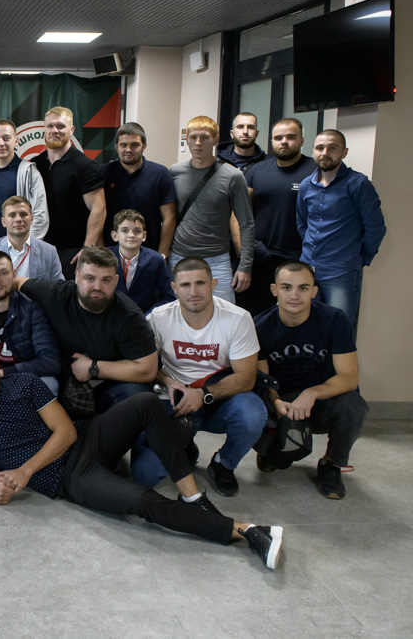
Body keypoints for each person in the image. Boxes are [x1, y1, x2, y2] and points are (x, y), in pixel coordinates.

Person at [0, 342, 284, 570]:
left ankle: (192, 496)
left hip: (85, 439)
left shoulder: (24, 384)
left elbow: (66, 432)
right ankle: (245, 530)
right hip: (68, 477)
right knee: (140, 499)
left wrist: (24, 471)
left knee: (146, 402)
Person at [0, 246, 158, 416]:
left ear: (116, 281)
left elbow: (148, 369)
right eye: (90, 278)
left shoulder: (129, 315)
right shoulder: (55, 294)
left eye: (105, 280)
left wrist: (94, 367)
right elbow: (14, 282)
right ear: (77, 276)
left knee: (139, 397)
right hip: (68, 384)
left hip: (112, 382)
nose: (97, 287)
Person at [145, 257, 267, 496]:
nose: (193, 292)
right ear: (174, 288)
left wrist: (203, 395)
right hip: (175, 399)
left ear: (214, 284)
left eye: (200, 283)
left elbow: (246, 378)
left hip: (221, 397)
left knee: (253, 413)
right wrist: (168, 381)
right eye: (185, 285)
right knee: (147, 474)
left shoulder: (238, 318)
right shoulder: (157, 318)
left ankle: (224, 464)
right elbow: (144, 366)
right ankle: (185, 445)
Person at [254, 261, 368, 499]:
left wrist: (312, 393)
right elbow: (264, 380)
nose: (294, 295)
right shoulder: (259, 326)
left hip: (319, 401)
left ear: (314, 291)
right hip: (281, 402)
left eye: (303, 288)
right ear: (274, 290)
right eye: (286, 287)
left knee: (354, 405)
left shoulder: (334, 319)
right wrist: (276, 402)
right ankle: (269, 451)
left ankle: (331, 464)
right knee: (253, 410)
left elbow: (349, 377)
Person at [296, 129, 386, 328]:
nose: (325, 153)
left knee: (339, 329)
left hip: (341, 272)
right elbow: (302, 224)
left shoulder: (358, 184)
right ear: (313, 150)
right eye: (320, 148)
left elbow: (376, 227)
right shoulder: (306, 185)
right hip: (307, 269)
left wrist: (361, 257)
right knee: (303, 328)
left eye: (332, 148)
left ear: (344, 152)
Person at [235, 118, 317, 316]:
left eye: (291, 137)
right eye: (279, 138)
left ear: (302, 140)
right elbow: (238, 213)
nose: (284, 142)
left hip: (299, 259)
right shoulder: (257, 170)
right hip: (262, 257)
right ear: (271, 141)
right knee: (255, 317)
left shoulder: (315, 172)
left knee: (295, 316)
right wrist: (244, 250)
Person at [169, 116, 254, 303]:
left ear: (215, 140)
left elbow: (246, 223)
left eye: (205, 137)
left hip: (217, 260)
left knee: (224, 312)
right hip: (179, 256)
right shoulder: (174, 172)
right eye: (193, 137)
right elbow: (167, 217)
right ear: (187, 140)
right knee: (179, 312)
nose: (198, 143)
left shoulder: (233, 176)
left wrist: (245, 266)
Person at [32, 106, 106, 279]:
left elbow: (99, 208)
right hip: (41, 249)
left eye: (60, 126)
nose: (54, 130)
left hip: (73, 253)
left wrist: (87, 248)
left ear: (71, 130)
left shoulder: (85, 166)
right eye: (50, 126)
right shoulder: (36, 164)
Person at [0, 250, 60, 392]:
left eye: (3, 273)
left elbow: (50, 361)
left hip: (23, 378)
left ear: (14, 275)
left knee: (48, 383)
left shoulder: (31, 309)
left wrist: (4, 373)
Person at [100, 122, 176, 257]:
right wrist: (100, 252)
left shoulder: (160, 174)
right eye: (123, 145)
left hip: (149, 253)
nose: (128, 149)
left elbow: (169, 217)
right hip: (110, 254)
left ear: (144, 146)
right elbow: (96, 214)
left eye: (134, 145)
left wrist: (162, 255)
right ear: (116, 146)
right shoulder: (103, 173)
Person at [0, 119, 49, 243]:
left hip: (19, 247)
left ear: (16, 141)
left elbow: (40, 214)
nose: (1, 143)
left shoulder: (29, 172)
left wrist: (27, 246)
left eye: (6, 138)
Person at [0, 196, 63, 293]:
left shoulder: (49, 251)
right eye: (12, 215)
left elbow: (60, 290)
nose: (18, 219)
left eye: (23, 214)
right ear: (3, 222)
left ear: (32, 219)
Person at [107, 209, 175, 314]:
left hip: (145, 317)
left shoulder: (156, 260)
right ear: (115, 236)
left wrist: (149, 317)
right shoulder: (104, 258)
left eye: (137, 231)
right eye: (125, 230)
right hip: (110, 316)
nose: (131, 235)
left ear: (144, 236)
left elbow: (168, 297)